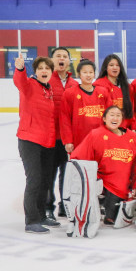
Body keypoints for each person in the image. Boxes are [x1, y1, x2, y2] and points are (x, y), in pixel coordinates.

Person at [69, 106, 136, 225]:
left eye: (118, 115)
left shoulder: (134, 139)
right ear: (104, 118)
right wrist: (93, 180)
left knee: (121, 217)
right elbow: (78, 158)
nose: (115, 118)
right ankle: (102, 204)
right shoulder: (96, 135)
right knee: (111, 219)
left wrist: (135, 186)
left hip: (125, 184)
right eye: (112, 115)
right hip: (105, 182)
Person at [14, 54, 59, 233]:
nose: (44, 71)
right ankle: (31, 220)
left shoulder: (49, 90)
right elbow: (20, 82)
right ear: (35, 71)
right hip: (30, 140)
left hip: (47, 142)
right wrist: (19, 69)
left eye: (47, 68)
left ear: (51, 72)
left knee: (45, 181)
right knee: (34, 180)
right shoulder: (30, 85)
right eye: (40, 68)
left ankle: (41, 215)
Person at [47, 47, 78, 219]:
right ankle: (48, 207)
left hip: (68, 139)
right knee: (49, 174)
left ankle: (64, 206)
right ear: (52, 60)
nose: (61, 59)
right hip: (50, 137)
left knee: (67, 175)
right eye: (58, 56)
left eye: (65, 56)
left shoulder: (74, 84)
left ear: (68, 61)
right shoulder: (46, 80)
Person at [60, 59, 112, 156]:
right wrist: (68, 140)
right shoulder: (69, 93)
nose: (88, 75)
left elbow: (110, 115)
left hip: (101, 139)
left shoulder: (103, 92)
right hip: (78, 140)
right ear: (79, 74)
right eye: (85, 72)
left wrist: (111, 135)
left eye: (91, 72)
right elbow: (65, 119)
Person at [95, 54, 135, 130]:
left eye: (117, 65)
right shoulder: (98, 85)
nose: (115, 67)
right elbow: (98, 113)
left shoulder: (127, 86)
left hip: (124, 128)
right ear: (106, 68)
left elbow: (130, 109)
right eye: (111, 65)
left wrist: (133, 127)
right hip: (106, 129)